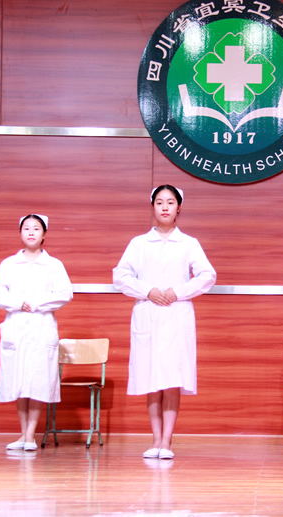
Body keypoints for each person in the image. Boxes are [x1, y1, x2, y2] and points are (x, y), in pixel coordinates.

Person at [113, 185, 216, 460]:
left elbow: (207, 275)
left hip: (176, 315)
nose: (165, 207)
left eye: (170, 202)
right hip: (148, 313)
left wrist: (177, 292)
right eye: (160, 202)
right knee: (151, 379)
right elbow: (120, 276)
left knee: (172, 378)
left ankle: (167, 440)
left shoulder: (189, 243)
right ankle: (155, 439)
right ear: (153, 207)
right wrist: (147, 290)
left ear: (179, 207)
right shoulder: (139, 243)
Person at [0, 214, 73, 451]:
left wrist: (36, 304)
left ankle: (31, 434)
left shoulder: (54, 265)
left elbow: (65, 293)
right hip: (16, 326)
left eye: (36, 228)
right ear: (20, 233)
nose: (31, 232)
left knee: (37, 381)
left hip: (41, 325)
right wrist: (19, 303)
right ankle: (23, 434)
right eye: (26, 228)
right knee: (19, 381)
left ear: (44, 234)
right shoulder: (9, 264)